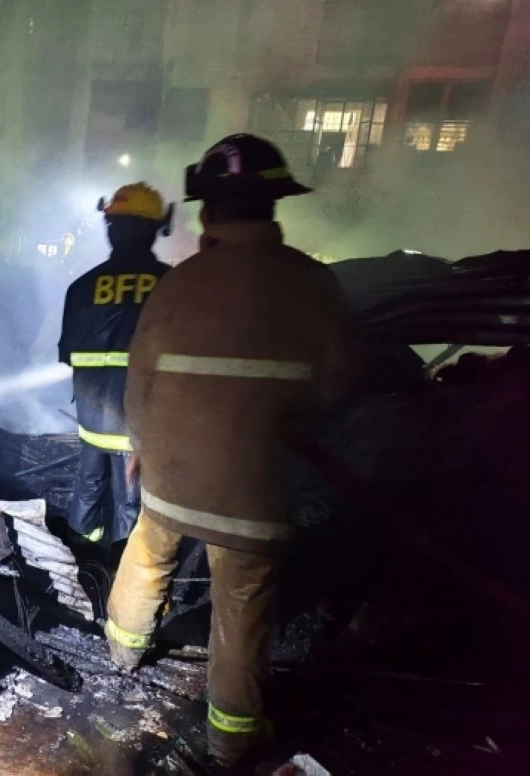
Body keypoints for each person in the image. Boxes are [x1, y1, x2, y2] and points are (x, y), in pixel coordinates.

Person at [105, 135, 360, 766]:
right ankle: (231, 739)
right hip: (254, 487)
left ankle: (121, 653)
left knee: (148, 555)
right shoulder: (313, 285)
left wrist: (140, 446)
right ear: (274, 204)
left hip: (171, 475)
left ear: (207, 212)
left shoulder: (179, 285)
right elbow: (340, 383)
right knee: (241, 608)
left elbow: (140, 380)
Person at [58, 183, 173, 547]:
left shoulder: (81, 287)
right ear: (155, 229)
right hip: (140, 424)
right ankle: (122, 577)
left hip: (92, 421)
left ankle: (80, 557)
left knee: (87, 488)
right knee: (131, 502)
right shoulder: (172, 285)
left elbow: (67, 354)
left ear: (111, 229)